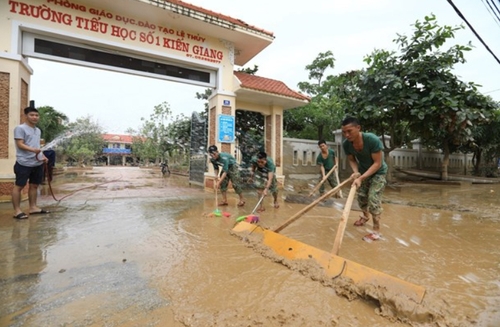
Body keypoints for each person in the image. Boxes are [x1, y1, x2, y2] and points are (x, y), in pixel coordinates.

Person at [341, 117, 387, 241]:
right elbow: (352, 160)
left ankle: (376, 231)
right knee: (361, 197)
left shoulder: (371, 140)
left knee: (373, 199)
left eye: (349, 131)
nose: (346, 135)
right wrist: (356, 173)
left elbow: (377, 163)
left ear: (358, 128)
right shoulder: (346, 144)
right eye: (344, 132)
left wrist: (361, 177)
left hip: (378, 172)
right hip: (363, 172)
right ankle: (365, 217)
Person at [12, 106, 50, 219]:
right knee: (19, 186)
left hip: (37, 163)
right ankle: (17, 211)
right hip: (23, 163)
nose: (34, 117)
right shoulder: (20, 128)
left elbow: (37, 146)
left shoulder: (37, 130)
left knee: (34, 185)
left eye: (36, 115)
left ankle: (33, 207)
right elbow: (20, 144)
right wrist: (33, 150)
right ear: (26, 116)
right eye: (32, 115)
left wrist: (42, 156)